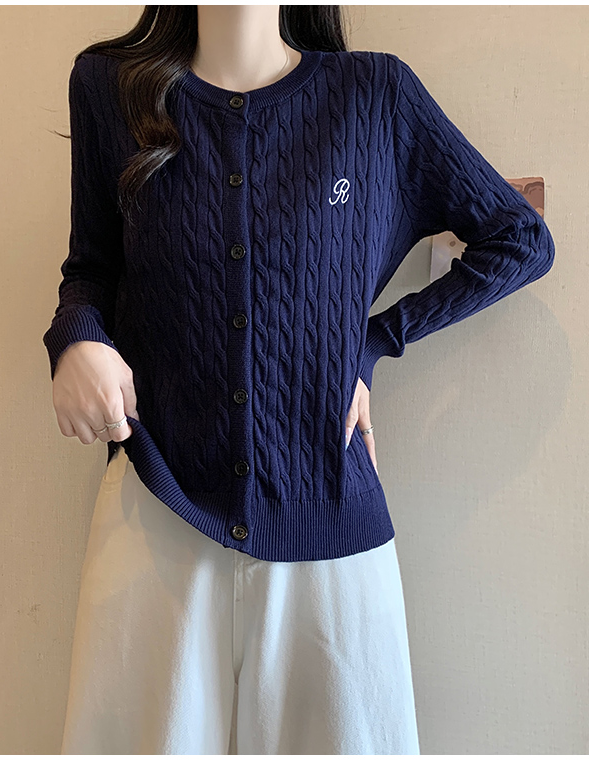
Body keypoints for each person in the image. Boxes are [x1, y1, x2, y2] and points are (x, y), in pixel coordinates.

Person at [43, 5, 555, 754]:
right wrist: (75, 340)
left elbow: (519, 238)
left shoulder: (374, 96)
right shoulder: (110, 88)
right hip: (156, 512)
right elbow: (89, 269)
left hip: (328, 519)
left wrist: (372, 343)